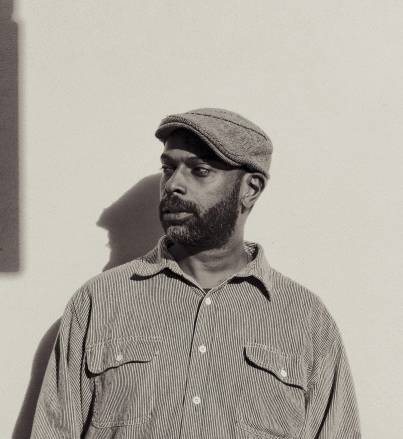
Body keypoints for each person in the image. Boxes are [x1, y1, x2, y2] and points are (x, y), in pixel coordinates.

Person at [31, 108, 360, 438]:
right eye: (168, 169)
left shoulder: (307, 319)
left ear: (250, 189)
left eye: (200, 170)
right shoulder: (98, 302)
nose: (173, 184)